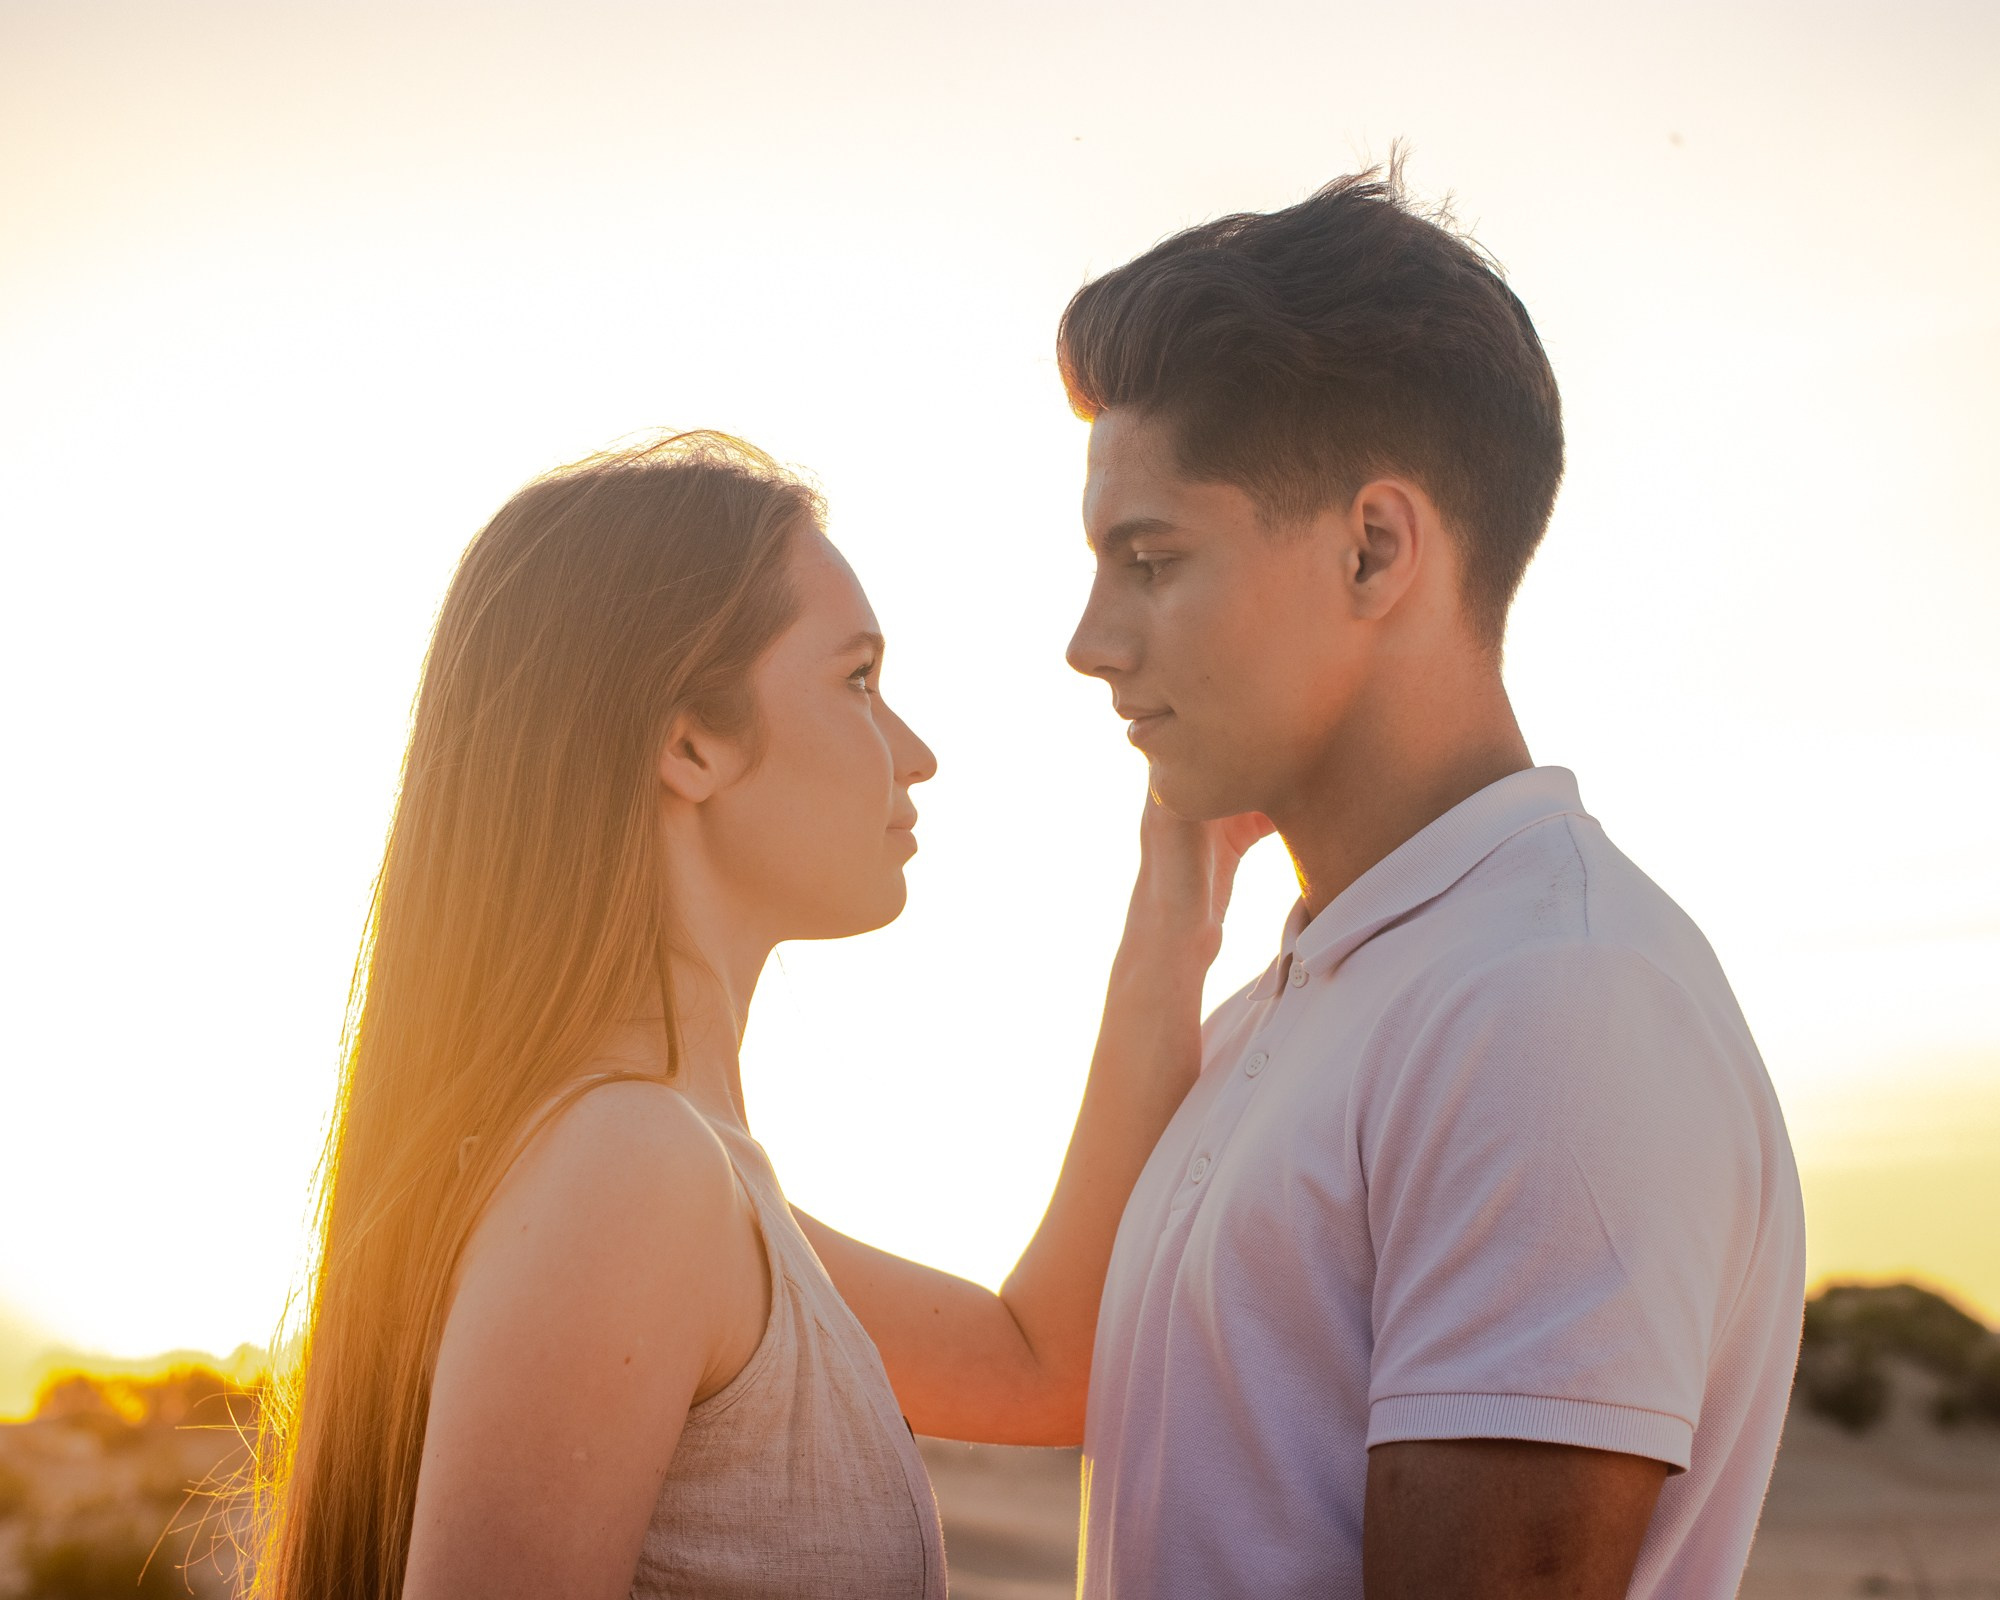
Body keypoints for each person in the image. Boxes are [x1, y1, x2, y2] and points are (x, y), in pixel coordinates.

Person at [814, 166, 1808, 1596]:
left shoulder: (1551, 1003)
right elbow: (1044, 1369)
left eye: (1149, 560)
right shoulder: (1307, 1002)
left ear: (1374, 548)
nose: (1090, 642)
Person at [250, 433, 1255, 1599]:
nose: (914, 753)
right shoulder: (633, 1170)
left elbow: (1041, 1366)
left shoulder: (683, 1176)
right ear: (688, 743)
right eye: (858, 679)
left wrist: (1177, 885)